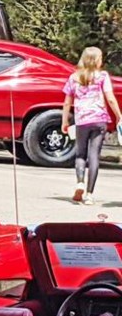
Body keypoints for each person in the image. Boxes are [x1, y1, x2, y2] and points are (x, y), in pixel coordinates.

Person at [61, 46, 122, 205]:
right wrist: (118, 115)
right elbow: (110, 98)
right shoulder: (102, 76)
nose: (102, 61)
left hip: (82, 121)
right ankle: (89, 195)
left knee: (80, 154)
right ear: (95, 60)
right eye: (101, 58)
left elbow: (67, 102)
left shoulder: (73, 78)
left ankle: (80, 182)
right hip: (99, 120)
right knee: (94, 155)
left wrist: (65, 121)